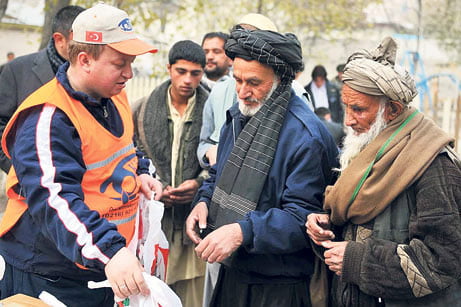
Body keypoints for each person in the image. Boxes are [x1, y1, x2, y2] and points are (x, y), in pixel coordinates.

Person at [0, 3, 163, 306]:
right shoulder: (48, 116)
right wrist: (111, 251)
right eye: (120, 63)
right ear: (86, 60)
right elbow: (55, 200)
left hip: (94, 264)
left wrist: (140, 170)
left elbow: (125, 147)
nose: (129, 73)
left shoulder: (113, 96)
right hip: (49, 273)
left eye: (131, 63)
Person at [186, 27, 338, 307]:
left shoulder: (306, 136)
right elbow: (219, 173)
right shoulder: (239, 115)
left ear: (281, 81)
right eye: (238, 80)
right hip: (232, 275)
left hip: (278, 287)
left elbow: (302, 217)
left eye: (254, 82)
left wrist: (242, 231)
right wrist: (203, 202)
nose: (243, 92)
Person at [306, 37, 461, 306]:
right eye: (346, 107)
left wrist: (358, 261)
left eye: (358, 109)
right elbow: (357, 225)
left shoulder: (433, 165)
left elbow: (442, 260)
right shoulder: (366, 148)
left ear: (392, 110)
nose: (348, 120)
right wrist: (325, 227)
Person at [133, 39, 209, 306]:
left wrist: (200, 183)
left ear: (203, 72)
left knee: (193, 298)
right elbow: (131, 157)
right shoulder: (141, 110)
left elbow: (224, 160)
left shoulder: (214, 112)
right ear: (169, 69)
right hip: (155, 221)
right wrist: (154, 183)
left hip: (196, 224)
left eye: (195, 73)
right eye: (181, 71)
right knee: (154, 293)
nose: (187, 79)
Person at [197, 13, 311, 170]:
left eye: (254, 83)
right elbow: (204, 142)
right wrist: (209, 153)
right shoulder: (219, 91)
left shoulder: (296, 93)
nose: (243, 92)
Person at [0, 5, 85, 174]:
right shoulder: (17, 71)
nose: (89, 48)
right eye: (82, 41)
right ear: (59, 39)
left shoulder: (97, 75)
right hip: (29, 188)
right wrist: (18, 170)